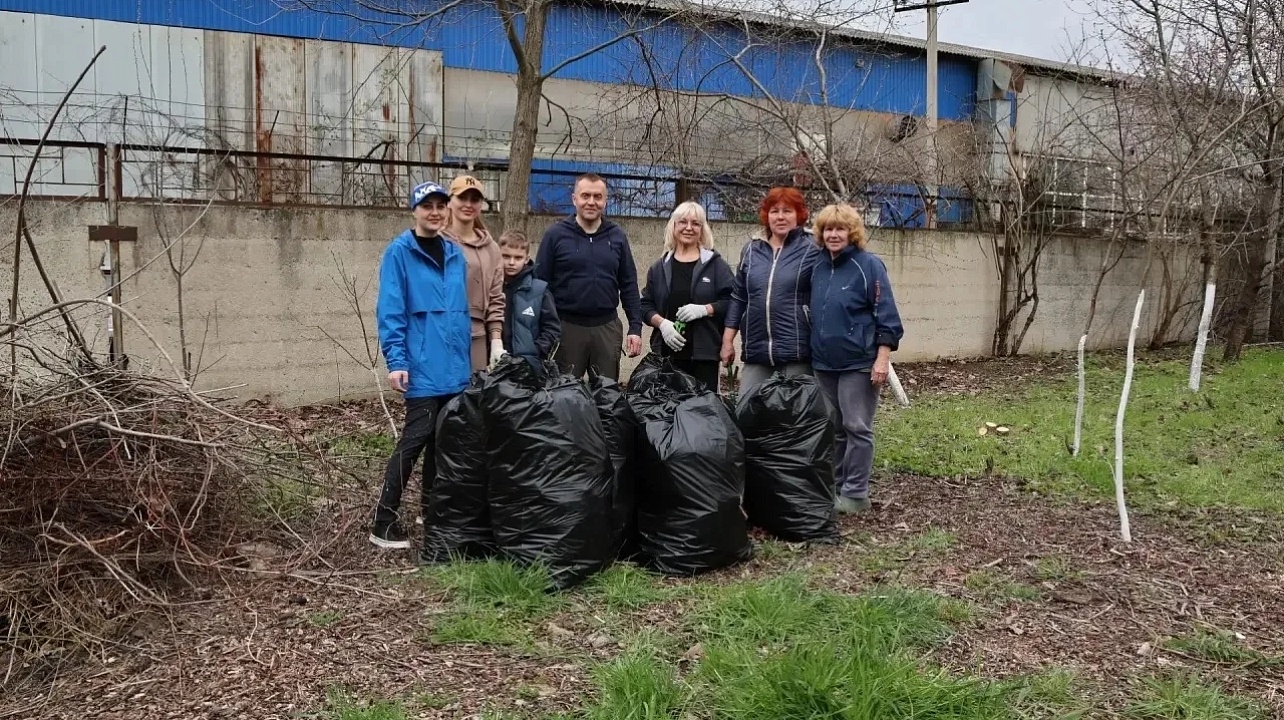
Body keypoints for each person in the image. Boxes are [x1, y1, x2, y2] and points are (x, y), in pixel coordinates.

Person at [370, 181, 473, 549]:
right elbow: (391, 311)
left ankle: (429, 512)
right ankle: (382, 524)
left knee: (443, 447)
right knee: (412, 445)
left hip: (455, 370)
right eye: (426, 205)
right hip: (423, 369)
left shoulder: (454, 253)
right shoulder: (400, 253)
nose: (434, 211)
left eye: (439, 205)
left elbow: (459, 315)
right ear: (414, 210)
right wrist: (397, 360)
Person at [809, 203, 904, 514]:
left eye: (840, 229)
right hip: (824, 364)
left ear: (852, 233)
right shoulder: (818, 266)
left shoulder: (869, 266)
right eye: (828, 229)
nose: (834, 234)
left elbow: (887, 318)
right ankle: (835, 488)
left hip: (858, 363)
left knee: (856, 426)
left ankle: (856, 493)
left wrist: (881, 360)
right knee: (833, 426)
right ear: (821, 234)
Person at [534, 173, 643, 380]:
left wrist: (635, 327)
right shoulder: (555, 236)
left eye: (597, 196)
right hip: (566, 330)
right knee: (563, 397)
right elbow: (540, 285)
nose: (591, 202)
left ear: (605, 200)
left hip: (607, 329)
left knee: (606, 398)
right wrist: (544, 328)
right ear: (574, 198)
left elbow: (628, 284)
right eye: (585, 196)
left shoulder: (617, 236)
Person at [720, 187, 820, 395]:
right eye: (774, 211)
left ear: (799, 214)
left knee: (795, 417)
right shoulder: (751, 250)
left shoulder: (813, 248)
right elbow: (739, 298)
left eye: (787, 211)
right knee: (748, 412)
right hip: (757, 350)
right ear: (767, 215)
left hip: (798, 352)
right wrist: (727, 341)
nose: (780, 217)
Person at [639, 201, 734, 392]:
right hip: (666, 356)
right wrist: (662, 324)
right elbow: (645, 305)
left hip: (703, 356)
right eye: (683, 222)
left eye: (696, 223)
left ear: (702, 229)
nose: (689, 228)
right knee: (666, 415)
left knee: (701, 414)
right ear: (673, 226)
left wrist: (705, 309)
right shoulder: (659, 268)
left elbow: (732, 301)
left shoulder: (716, 266)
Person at [442, 174, 506, 373]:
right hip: (439, 333)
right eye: (462, 198)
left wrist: (496, 340)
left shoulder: (491, 248)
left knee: (472, 398)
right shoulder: (435, 241)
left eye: (475, 199)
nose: (468, 204)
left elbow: (496, 297)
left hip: (476, 335)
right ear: (449, 201)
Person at [498, 229, 561, 367]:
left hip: (528, 366)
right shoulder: (491, 287)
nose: (511, 262)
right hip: (495, 363)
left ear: (527, 258)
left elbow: (551, 328)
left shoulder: (539, 290)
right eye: (506, 256)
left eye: (518, 257)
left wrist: (536, 351)